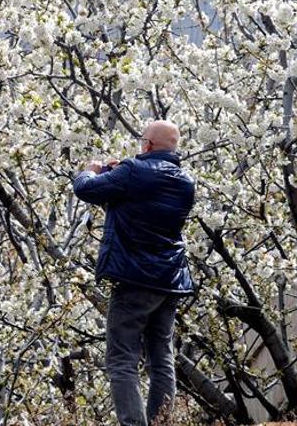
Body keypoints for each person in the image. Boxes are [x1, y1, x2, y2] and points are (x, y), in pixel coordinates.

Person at [72, 120, 196, 426]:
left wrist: (92, 169)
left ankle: (133, 423)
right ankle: (161, 422)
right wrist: (120, 174)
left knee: (122, 358)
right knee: (162, 357)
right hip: (169, 280)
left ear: (149, 145)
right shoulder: (185, 182)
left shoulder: (132, 172)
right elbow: (141, 207)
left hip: (133, 279)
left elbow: (85, 189)